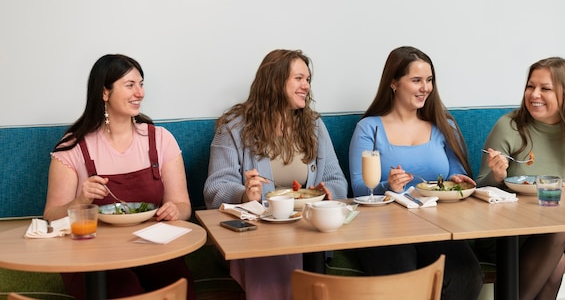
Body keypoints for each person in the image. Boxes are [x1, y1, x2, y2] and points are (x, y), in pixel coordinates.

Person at [43, 54, 197, 300]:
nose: (140, 92)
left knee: (179, 282)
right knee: (123, 290)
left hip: (150, 249)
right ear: (104, 93)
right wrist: (80, 201)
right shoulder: (73, 146)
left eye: (141, 84)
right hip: (89, 258)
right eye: (130, 85)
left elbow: (183, 205)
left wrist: (175, 211)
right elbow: (50, 217)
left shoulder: (161, 139)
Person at [203, 49, 348, 300]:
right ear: (275, 81)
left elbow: (337, 180)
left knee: (296, 244)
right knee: (275, 247)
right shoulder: (234, 127)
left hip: (306, 231)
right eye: (299, 78)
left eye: (308, 80)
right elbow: (215, 188)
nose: (306, 86)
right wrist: (244, 193)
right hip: (255, 233)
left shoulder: (314, 126)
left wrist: (328, 193)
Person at [348, 46, 483, 300]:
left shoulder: (444, 125)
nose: (426, 88)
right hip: (383, 228)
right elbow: (358, 186)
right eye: (417, 80)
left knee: (466, 275)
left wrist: (457, 179)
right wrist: (388, 185)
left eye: (429, 80)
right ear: (394, 83)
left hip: (436, 224)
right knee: (404, 282)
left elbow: (456, 171)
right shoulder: (369, 129)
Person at [476, 56, 565, 300]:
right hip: (506, 234)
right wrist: (496, 176)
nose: (534, 94)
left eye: (545, 88)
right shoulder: (508, 127)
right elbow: (478, 189)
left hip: (558, 231)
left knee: (556, 231)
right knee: (557, 261)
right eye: (530, 86)